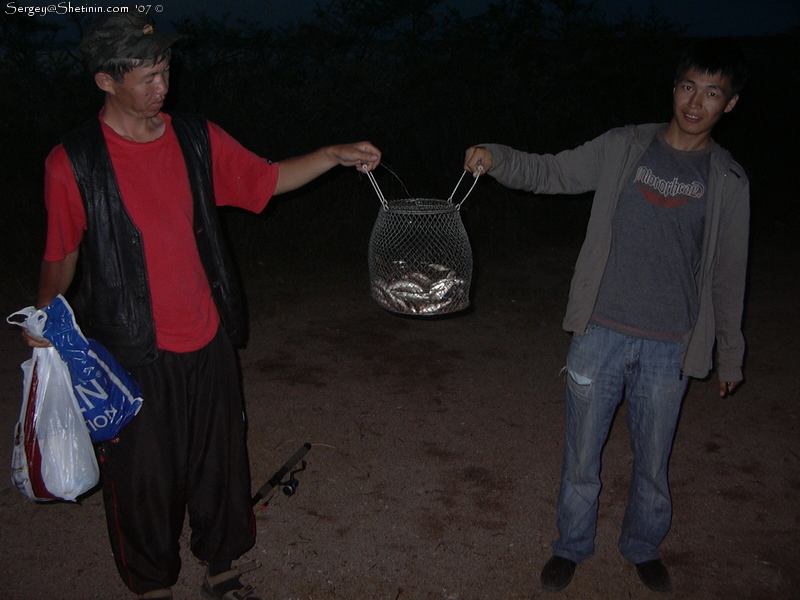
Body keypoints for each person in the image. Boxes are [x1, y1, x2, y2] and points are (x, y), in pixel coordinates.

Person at [23, 9, 380, 600]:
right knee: (142, 478)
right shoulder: (73, 163)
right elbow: (61, 253)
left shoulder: (195, 137)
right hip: (131, 350)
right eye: (148, 77)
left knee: (219, 464)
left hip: (207, 335)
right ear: (106, 81)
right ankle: (152, 585)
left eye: (165, 71)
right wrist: (44, 314)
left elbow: (264, 180)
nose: (164, 87)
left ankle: (222, 569)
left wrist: (330, 155)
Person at [463, 39, 749, 593]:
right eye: (688, 86)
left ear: (729, 104)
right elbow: (552, 172)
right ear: (674, 88)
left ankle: (642, 547)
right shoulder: (625, 147)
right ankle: (570, 547)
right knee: (581, 457)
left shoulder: (729, 182)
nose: (696, 102)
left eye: (713, 93)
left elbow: (728, 274)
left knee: (653, 464)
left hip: (671, 343)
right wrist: (495, 156)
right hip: (600, 332)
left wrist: (730, 354)